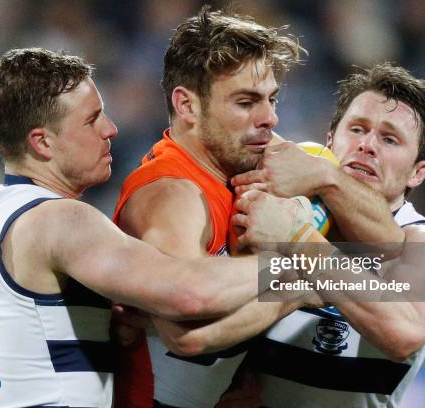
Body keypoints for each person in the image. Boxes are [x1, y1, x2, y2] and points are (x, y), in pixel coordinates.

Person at [0, 47, 299, 408]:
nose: (111, 129)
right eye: (92, 120)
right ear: (42, 142)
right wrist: (305, 264)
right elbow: (191, 294)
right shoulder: (61, 219)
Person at [226, 62, 425, 407]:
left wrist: (297, 238)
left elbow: (403, 331)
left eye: (389, 138)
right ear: (331, 140)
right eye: (357, 129)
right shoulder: (277, 206)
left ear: (418, 173)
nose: (367, 145)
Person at [112, 6, 307, 408]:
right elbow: (187, 327)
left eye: (271, 99)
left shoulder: (243, 168)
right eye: (245, 102)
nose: (269, 118)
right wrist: (302, 276)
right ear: (187, 106)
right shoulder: (171, 195)